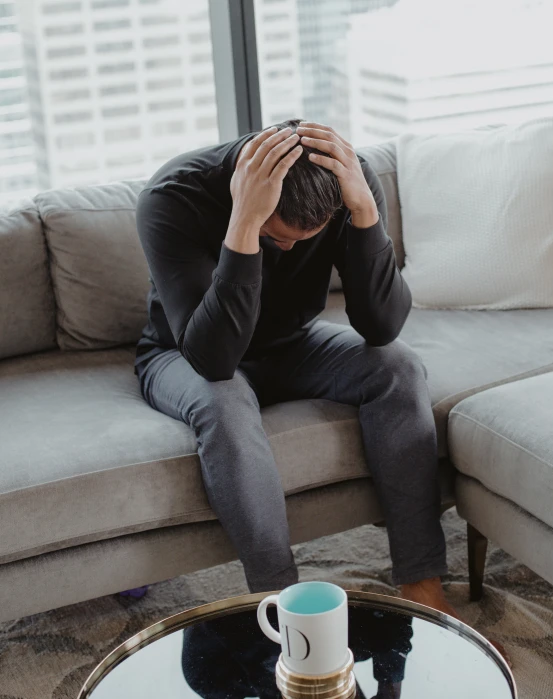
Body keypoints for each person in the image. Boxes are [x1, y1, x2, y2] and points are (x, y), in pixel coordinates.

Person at [132, 117, 510, 667]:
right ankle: (283, 604)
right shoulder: (173, 197)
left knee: (398, 368)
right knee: (224, 400)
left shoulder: (346, 186)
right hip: (185, 354)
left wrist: (365, 214)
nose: (284, 249)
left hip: (293, 344)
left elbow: (381, 328)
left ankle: (422, 583)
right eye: (275, 236)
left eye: (298, 241)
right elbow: (213, 360)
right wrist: (244, 226)